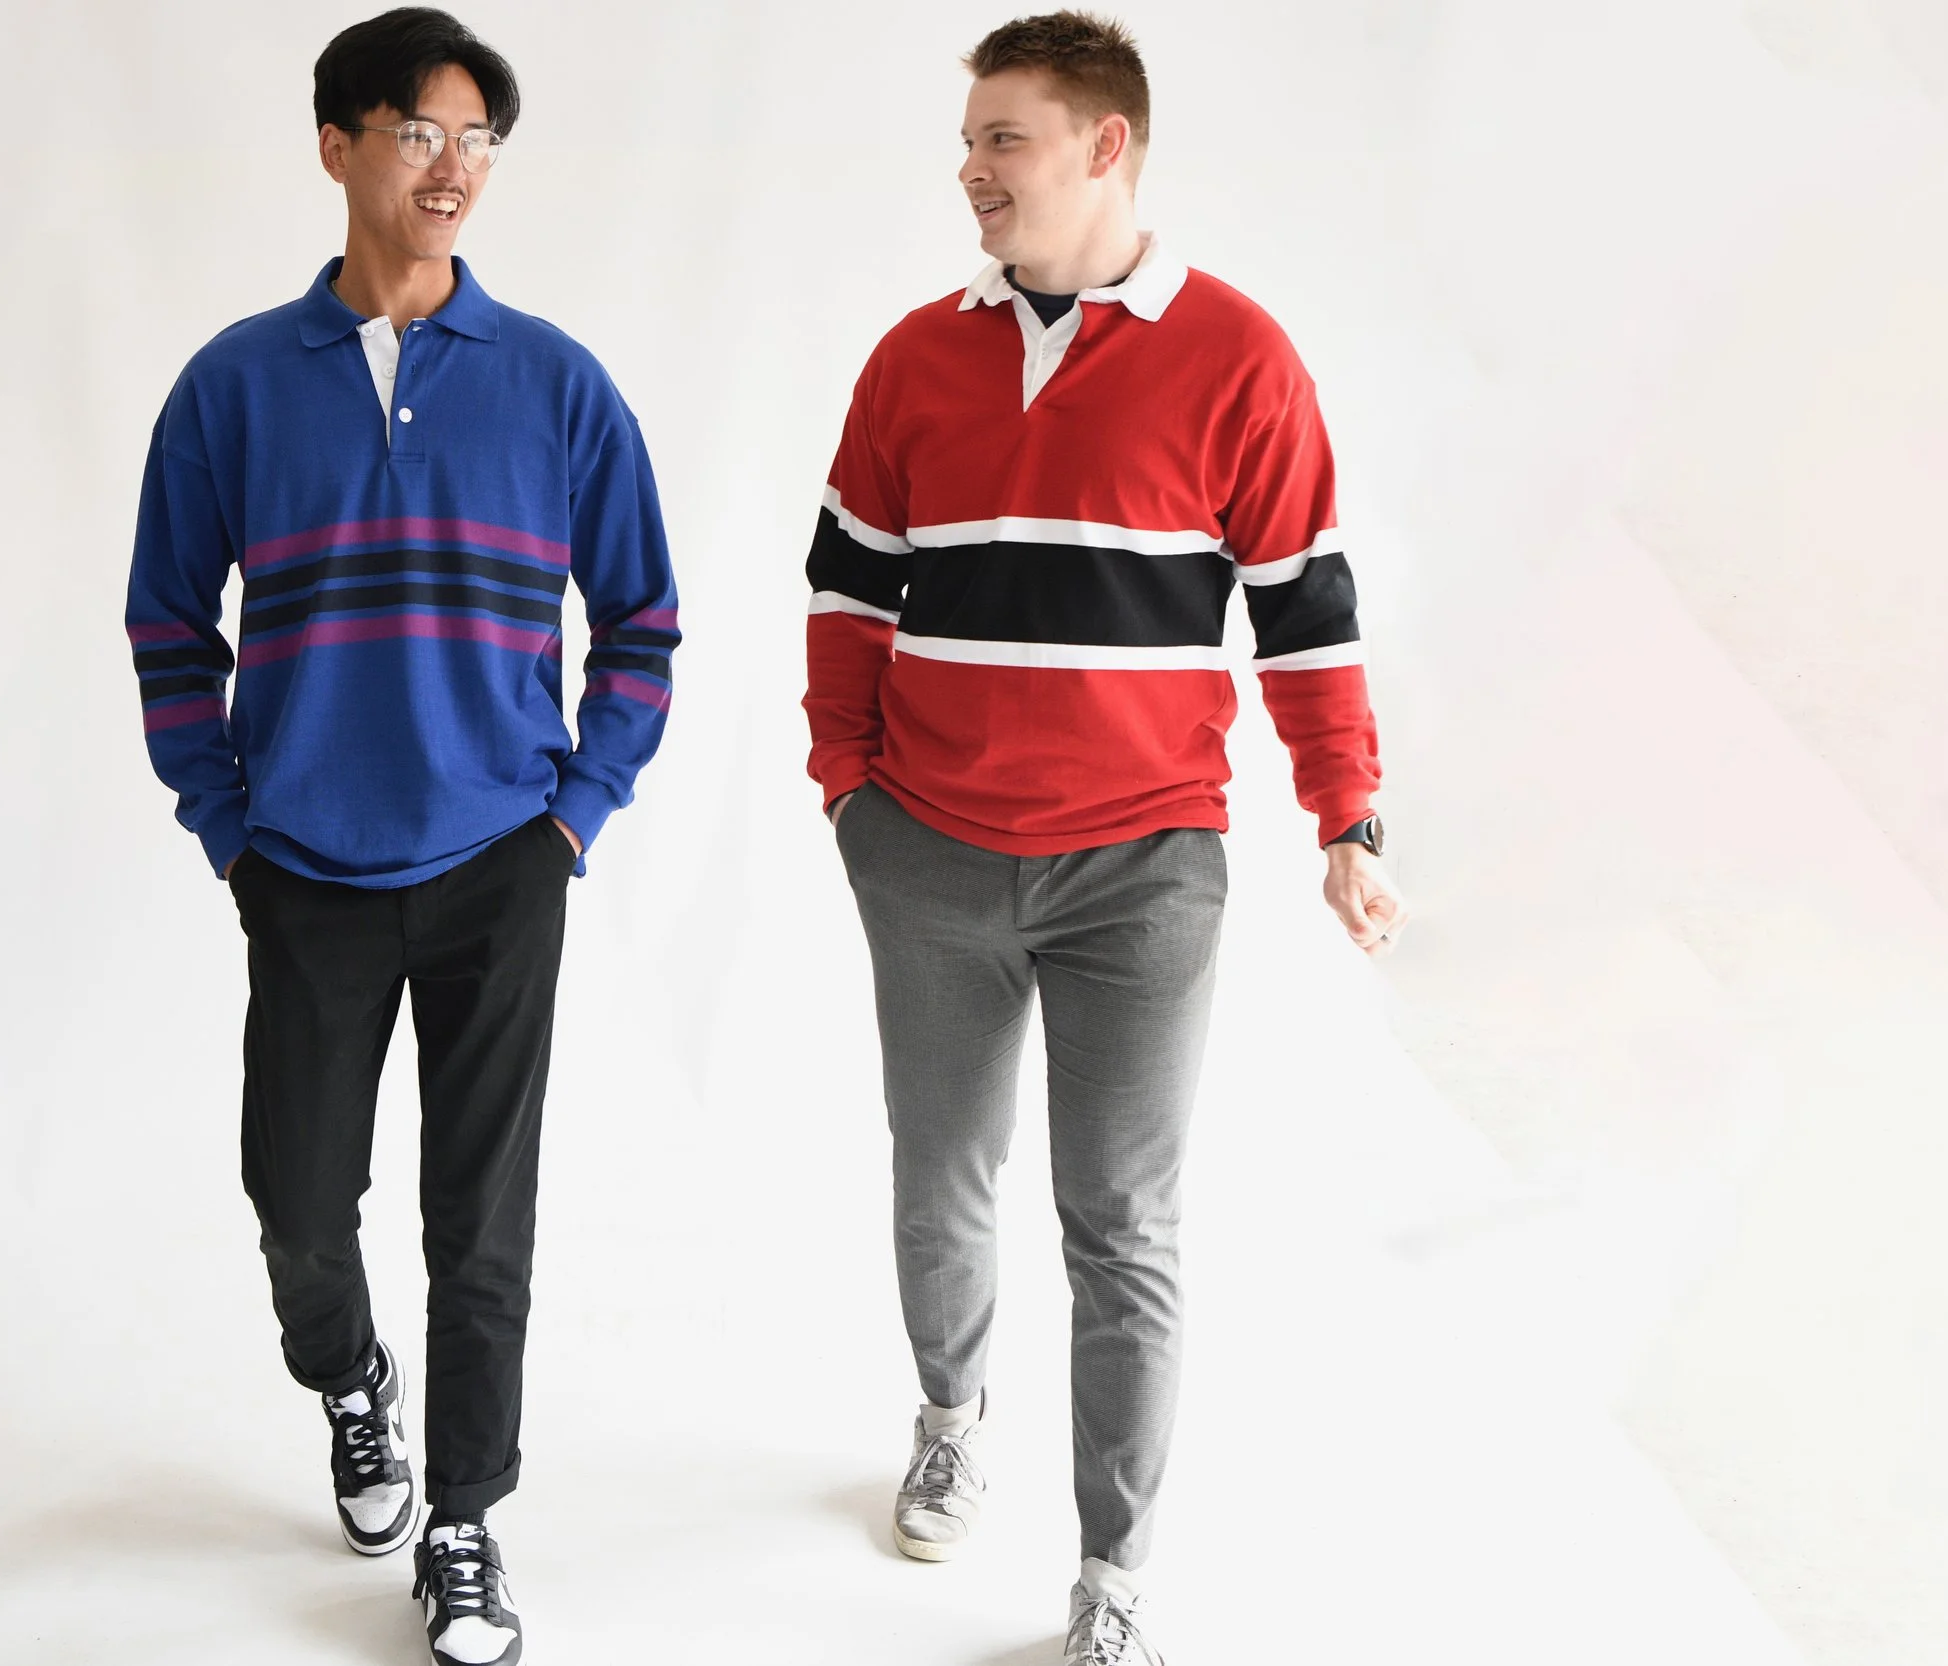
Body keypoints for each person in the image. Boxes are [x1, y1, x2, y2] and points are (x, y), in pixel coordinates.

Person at [802, 12, 1402, 1663]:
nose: (971, 169)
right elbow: (847, 587)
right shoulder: (915, 358)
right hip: (928, 852)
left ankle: (1113, 1575)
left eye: (1003, 137)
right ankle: (950, 1415)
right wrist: (848, 788)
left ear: (1104, 144)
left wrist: (1346, 816)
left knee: (1121, 1221)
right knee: (942, 1174)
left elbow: (1306, 613)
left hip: (1144, 870)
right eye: (969, 140)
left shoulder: (1242, 359)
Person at [124, 11, 678, 1662]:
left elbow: (643, 624)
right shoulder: (234, 385)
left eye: (477, 139)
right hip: (303, 866)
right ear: (338, 146)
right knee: (298, 1198)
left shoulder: (557, 383)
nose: (454, 168)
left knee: (480, 1220)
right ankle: (351, 1382)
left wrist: (575, 815)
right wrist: (228, 824)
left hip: (505, 859)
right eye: (421, 132)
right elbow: (168, 626)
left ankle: (465, 1520)